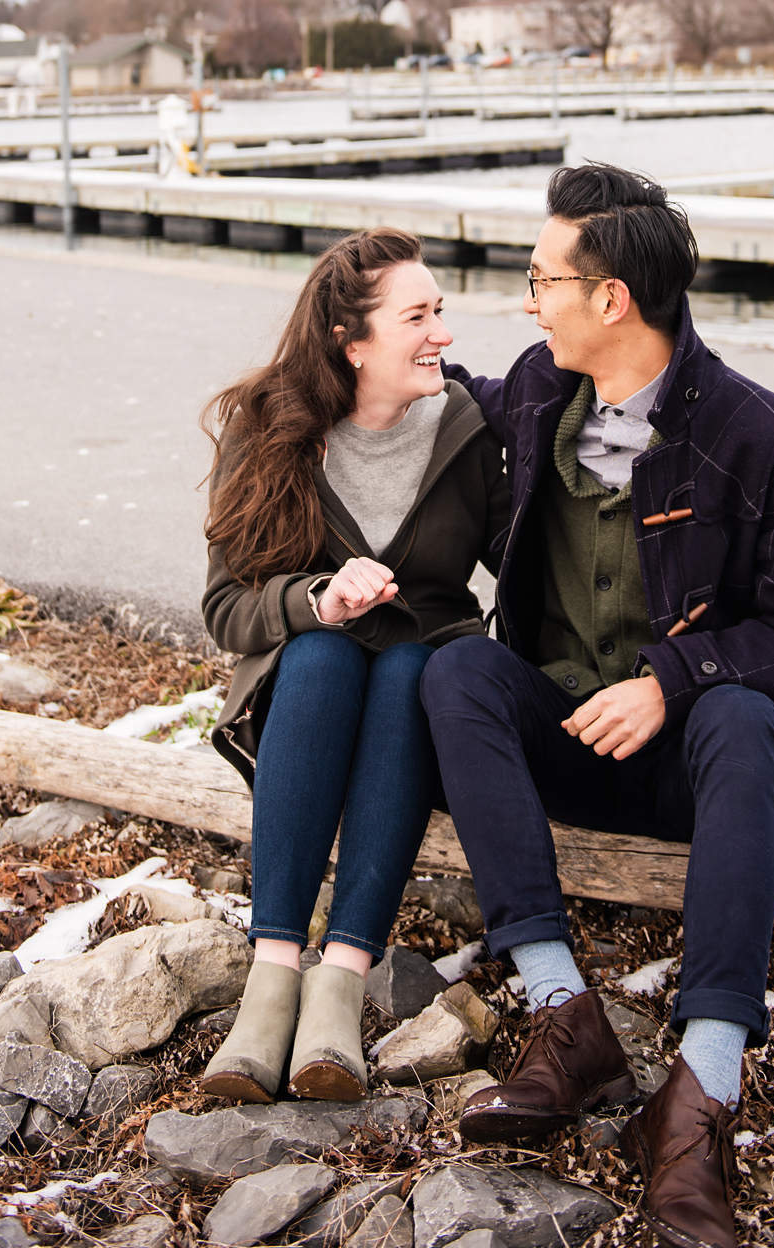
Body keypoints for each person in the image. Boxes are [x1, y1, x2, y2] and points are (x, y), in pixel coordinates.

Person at [420, 163, 774, 1248]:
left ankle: (698, 1094)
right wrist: (348, 371)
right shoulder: (541, 387)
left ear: (609, 297)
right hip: (569, 743)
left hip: (702, 773)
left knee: (743, 715)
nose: (526, 299)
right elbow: (470, 392)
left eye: (540, 278)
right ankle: (560, 1012)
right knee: (457, 672)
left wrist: (670, 678)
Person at [199, 227, 509, 1104]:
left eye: (440, 311)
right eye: (418, 315)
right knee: (329, 655)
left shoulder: (464, 424)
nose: (442, 333)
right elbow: (226, 612)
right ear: (351, 338)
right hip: (303, 691)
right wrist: (316, 601)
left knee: (411, 668)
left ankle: (340, 978)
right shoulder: (267, 426)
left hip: (419, 686)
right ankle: (272, 976)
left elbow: (521, 567)